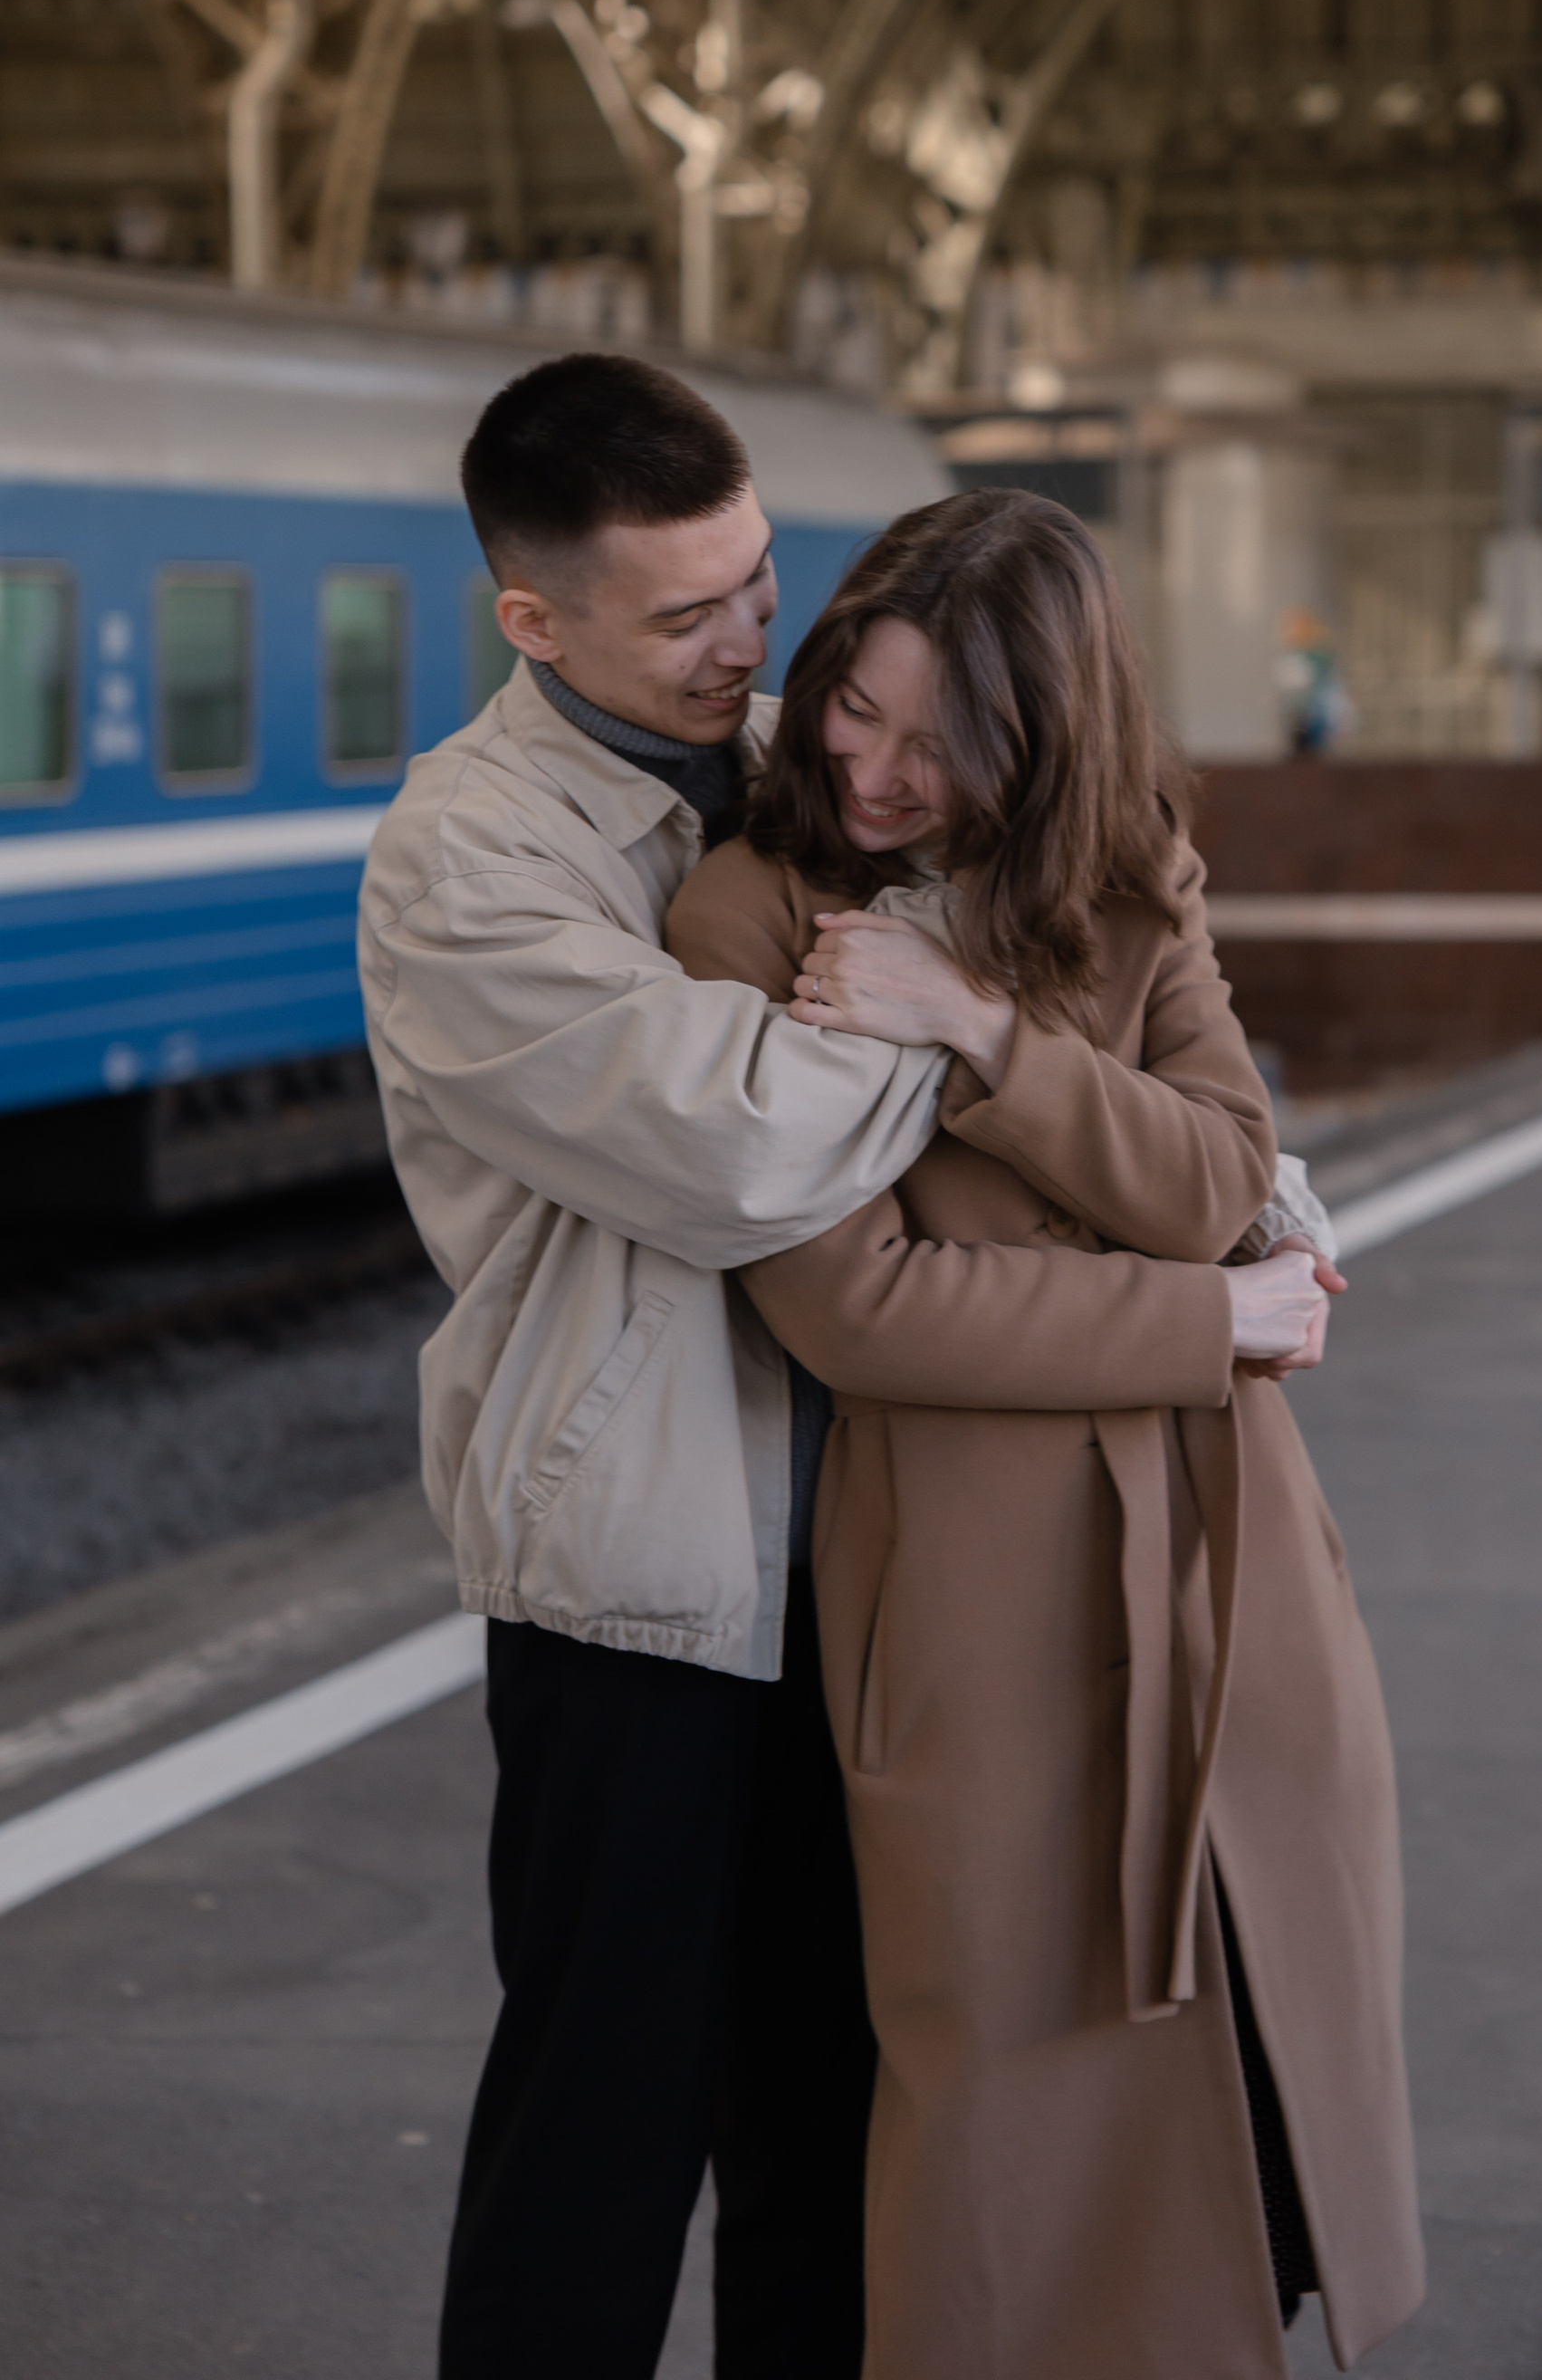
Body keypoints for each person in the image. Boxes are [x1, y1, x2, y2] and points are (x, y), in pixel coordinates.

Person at [359, 359, 1324, 2380]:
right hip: (646, 1569)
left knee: (829, 2119)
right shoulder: (469, 858)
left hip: (878, 1565)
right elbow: (740, 1141)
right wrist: (995, 1044)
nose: (747, 654)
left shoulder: (821, 741)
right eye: (683, 618)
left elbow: (1099, 994)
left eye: (755, 587)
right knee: (602, 2135)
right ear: (534, 622)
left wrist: (1225, 1171)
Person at [666, 487, 1424, 2380]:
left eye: (939, 742)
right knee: (1002, 2112)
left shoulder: (1127, 873)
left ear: (1043, 740)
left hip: (1231, 1580)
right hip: (971, 1599)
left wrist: (982, 1035)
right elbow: (857, 1303)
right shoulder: (749, 914)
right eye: (854, 707)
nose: (875, 770)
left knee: (1250, 2070)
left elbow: (1218, 1169)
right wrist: (1205, 1322)